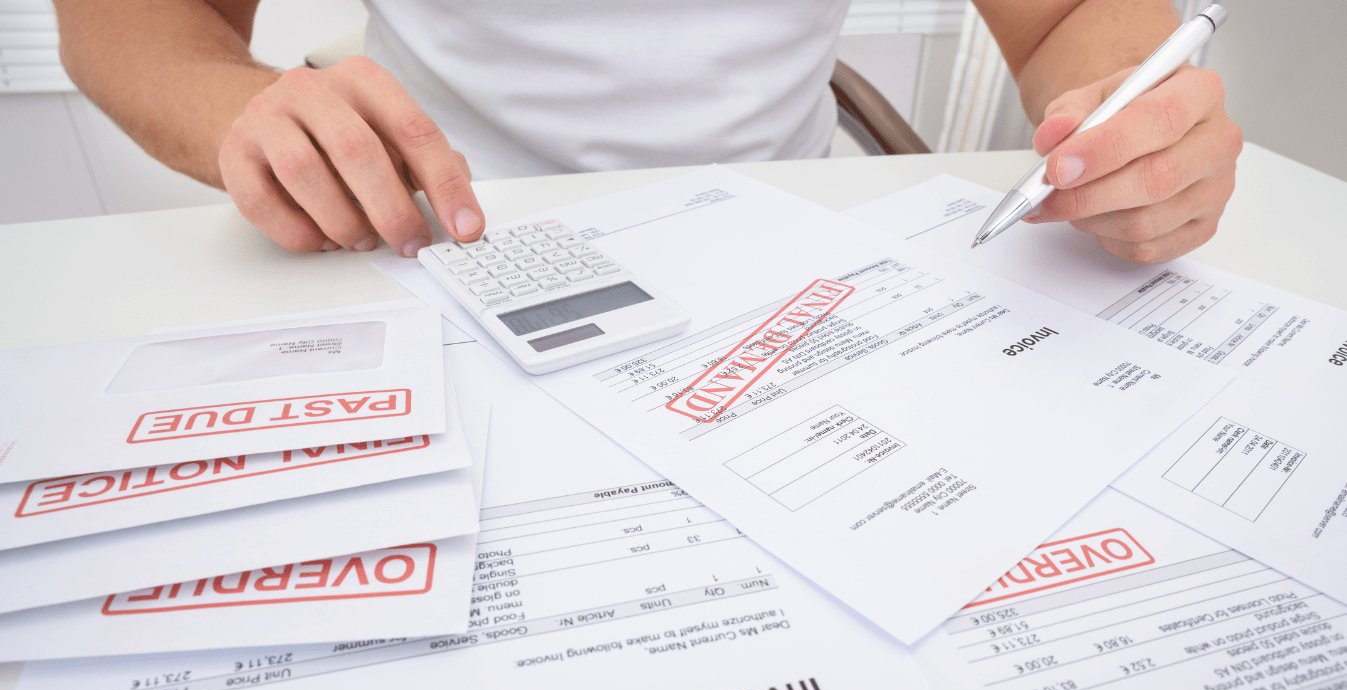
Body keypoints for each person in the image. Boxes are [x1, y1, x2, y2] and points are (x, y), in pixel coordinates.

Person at [53, 0, 1240, 265]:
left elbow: (1073, 17)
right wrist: (244, 112)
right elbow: (135, 26)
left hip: (783, 246)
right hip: (429, 243)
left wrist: (1128, 115)